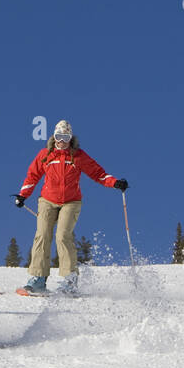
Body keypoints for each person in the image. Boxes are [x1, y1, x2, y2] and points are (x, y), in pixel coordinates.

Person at [14, 119, 127, 293]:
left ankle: (70, 280)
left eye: (65, 137)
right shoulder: (45, 154)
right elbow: (32, 176)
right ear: (54, 136)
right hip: (47, 201)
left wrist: (115, 183)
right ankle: (38, 279)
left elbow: (98, 173)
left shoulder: (78, 156)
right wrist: (23, 195)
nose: (61, 141)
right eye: (58, 136)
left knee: (62, 236)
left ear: (70, 138)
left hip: (71, 202)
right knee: (42, 235)